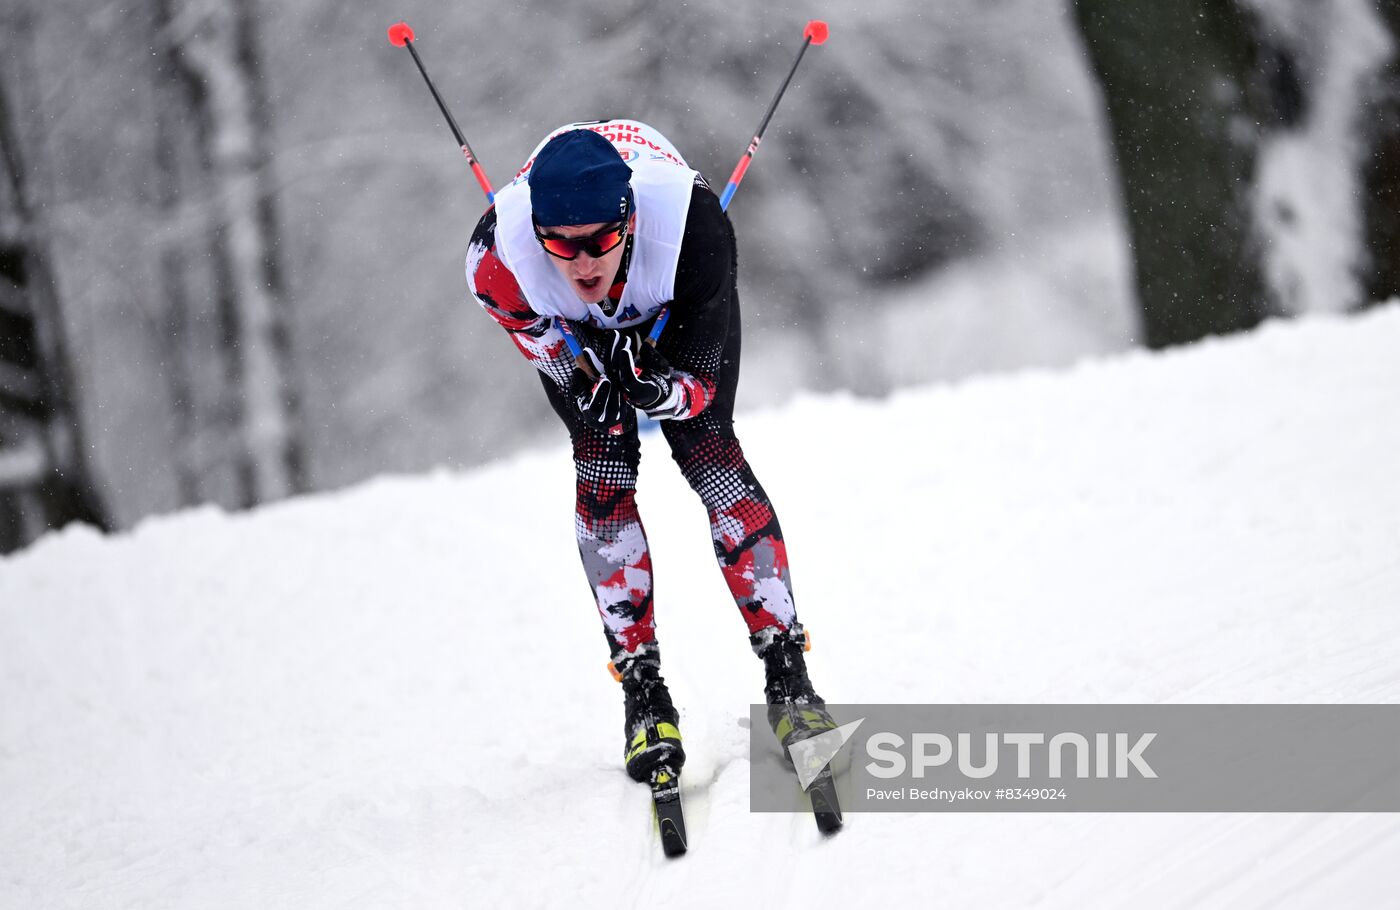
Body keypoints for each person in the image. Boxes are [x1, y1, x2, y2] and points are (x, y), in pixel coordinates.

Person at [465, 119, 832, 784]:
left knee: (709, 454)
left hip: (674, 303)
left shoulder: (693, 230)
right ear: (536, 235)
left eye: (600, 242)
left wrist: (662, 388)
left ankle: (789, 673)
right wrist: (587, 373)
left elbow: (697, 395)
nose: (583, 263)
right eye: (561, 246)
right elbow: (548, 349)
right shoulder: (498, 263)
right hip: (575, 332)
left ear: (629, 221)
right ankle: (643, 690)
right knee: (602, 465)